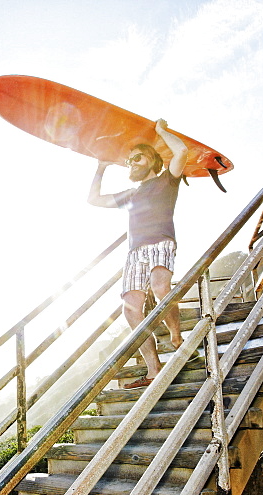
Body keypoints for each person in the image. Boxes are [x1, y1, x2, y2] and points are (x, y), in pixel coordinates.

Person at [88, 118, 189, 389]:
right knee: (130, 308)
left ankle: (176, 335)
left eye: (137, 158)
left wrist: (162, 132)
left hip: (161, 243)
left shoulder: (168, 180)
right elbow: (94, 200)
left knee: (160, 287)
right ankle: (154, 369)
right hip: (135, 252)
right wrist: (100, 168)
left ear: (153, 162)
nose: (131, 163)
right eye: (129, 160)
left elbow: (181, 153)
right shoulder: (131, 194)